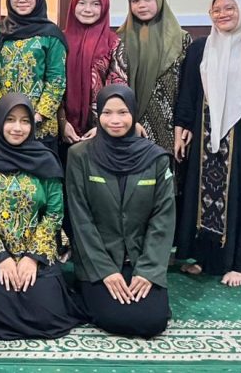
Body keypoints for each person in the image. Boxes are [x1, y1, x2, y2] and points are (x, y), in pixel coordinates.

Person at [174, 0, 241, 287]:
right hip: (205, 137)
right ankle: (205, 260)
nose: (222, 14)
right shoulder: (202, 48)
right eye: (216, 9)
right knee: (203, 198)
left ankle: (236, 265)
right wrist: (182, 126)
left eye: (229, 8)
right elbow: (189, 91)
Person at [0, 94, 84, 340]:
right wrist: (2, 257)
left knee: (48, 314)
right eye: (10, 120)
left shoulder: (45, 161)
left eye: (24, 121)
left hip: (37, 252)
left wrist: (32, 257)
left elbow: (54, 213)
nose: (17, 128)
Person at [67, 85, 174, 338]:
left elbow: (163, 218)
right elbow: (80, 218)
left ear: (134, 114)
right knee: (115, 317)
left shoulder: (156, 159)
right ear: (99, 115)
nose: (115, 120)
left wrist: (148, 271)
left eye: (123, 112)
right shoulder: (80, 156)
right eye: (107, 113)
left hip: (140, 258)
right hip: (98, 259)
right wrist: (105, 271)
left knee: (153, 321)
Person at [0, 0, 67, 151]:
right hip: (2, 123)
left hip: (40, 126)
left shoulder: (51, 34)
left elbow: (56, 80)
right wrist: (2, 111)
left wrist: (38, 116)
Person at [117, 0, 191, 155]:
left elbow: (188, 86)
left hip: (171, 127)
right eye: (135, 0)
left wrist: (186, 123)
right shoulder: (119, 40)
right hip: (130, 124)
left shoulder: (181, 39)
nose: (141, 5)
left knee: (165, 169)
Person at [60, 0, 128, 143]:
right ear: (73, 5)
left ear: (104, 7)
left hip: (101, 129)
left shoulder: (113, 43)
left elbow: (118, 87)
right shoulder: (60, 40)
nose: (87, 9)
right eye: (81, 3)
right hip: (61, 128)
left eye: (95, 4)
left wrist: (101, 126)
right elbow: (53, 82)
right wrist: (62, 122)